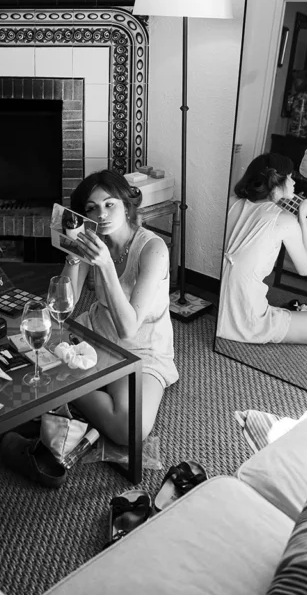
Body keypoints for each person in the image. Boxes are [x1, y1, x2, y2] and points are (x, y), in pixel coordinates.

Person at [61, 169, 178, 446]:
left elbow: (128, 330)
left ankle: (60, 389)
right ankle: (67, 386)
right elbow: (63, 309)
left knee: (130, 429)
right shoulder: (94, 241)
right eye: (92, 208)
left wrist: (105, 265)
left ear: (126, 206)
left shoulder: (153, 249)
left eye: (110, 204)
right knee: (31, 349)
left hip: (142, 348)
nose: (101, 214)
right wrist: (74, 254)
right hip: (96, 335)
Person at [217, 153, 307, 346]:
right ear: (277, 180)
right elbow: (306, 269)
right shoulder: (284, 220)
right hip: (250, 320)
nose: (293, 182)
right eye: (290, 176)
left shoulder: (232, 202)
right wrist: (302, 217)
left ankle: (292, 315)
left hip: (221, 310)